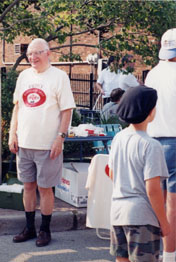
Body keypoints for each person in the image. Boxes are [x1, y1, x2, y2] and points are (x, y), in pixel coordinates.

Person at [8, 38, 75, 247]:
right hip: (24, 143)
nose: (33, 57)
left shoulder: (59, 77)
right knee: (28, 186)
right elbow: (17, 107)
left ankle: (45, 230)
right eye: (30, 54)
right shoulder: (24, 76)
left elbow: (67, 110)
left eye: (37, 53)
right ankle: (29, 228)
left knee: (45, 188)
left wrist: (60, 137)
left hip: (48, 145)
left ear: (48, 53)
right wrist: (12, 134)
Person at [108, 85, 170, 262]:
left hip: (117, 211)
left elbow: (111, 173)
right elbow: (153, 189)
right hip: (142, 215)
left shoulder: (118, 138)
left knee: (121, 259)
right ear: (151, 112)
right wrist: (164, 222)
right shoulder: (151, 145)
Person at [146, 28, 176, 262]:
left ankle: (158, 251)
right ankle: (170, 255)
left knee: (157, 200)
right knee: (172, 203)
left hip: (154, 140)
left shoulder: (153, 74)